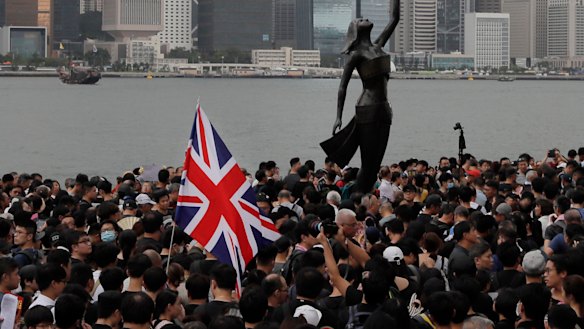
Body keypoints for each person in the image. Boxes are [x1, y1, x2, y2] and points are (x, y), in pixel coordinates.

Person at [320, 0, 400, 194]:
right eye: (360, 19)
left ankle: (359, 196)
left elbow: (395, 18)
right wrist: (338, 116)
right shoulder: (356, 55)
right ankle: (356, 199)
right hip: (367, 109)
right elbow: (342, 87)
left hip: (384, 109)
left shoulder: (378, 45)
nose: (365, 18)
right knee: (369, 162)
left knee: (376, 163)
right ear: (355, 29)